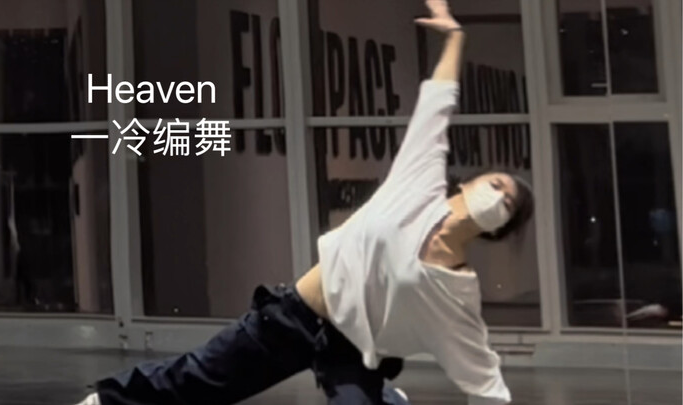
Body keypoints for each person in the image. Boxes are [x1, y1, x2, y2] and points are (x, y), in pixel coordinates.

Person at [75, 1, 533, 404]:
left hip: (357, 352)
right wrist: (454, 37)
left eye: (508, 204)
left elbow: (483, 376)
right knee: (203, 379)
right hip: (297, 315)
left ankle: (385, 399)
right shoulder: (419, 184)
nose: (497, 197)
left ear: (500, 227)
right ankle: (107, 401)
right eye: (496, 184)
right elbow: (438, 101)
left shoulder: (457, 289)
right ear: (468, 183)